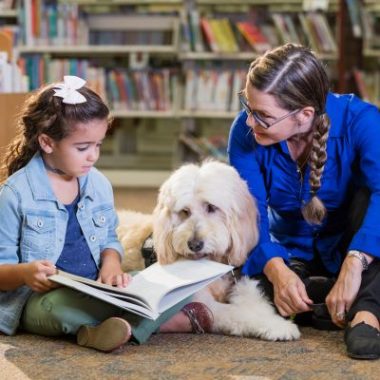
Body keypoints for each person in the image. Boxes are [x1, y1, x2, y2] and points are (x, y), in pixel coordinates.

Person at [0, 76, 213, 352]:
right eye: (82, 147)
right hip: (40, 299)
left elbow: (109, 239)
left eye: (98, 145)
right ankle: (146, 325)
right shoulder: (14, 194)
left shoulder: (97, 183)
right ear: (47, 142)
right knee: (58, 310)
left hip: (97, 288)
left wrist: (111, 263)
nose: (93, 156)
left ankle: (102, 330)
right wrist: (26, 273)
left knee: (174, 283)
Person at [228, 44, 380, 360]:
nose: (248, 122)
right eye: (247, 107)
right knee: (253, 288)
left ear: (304, 115)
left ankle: (366, 310)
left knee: (370, 195)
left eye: (262, 116)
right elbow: (248, 213)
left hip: (357, 245)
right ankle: (325, 297)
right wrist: (275, 268)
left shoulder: (362, 121)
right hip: (288, 248)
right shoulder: (244, 134)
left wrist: (355, 262)